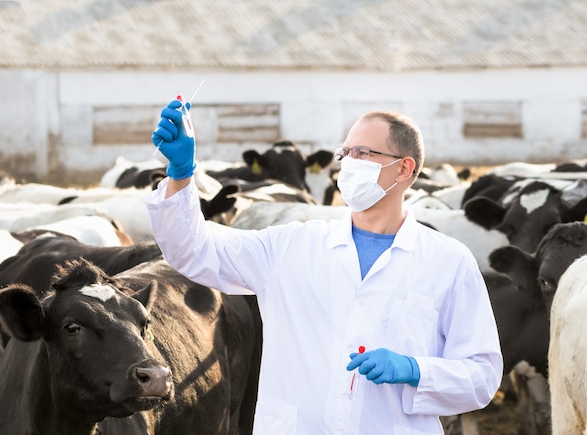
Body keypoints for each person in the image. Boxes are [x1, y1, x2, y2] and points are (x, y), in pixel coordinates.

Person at [146, 98, 503, 434]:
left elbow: (482, 377)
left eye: (363, 152)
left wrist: (416, 370)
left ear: (404, 169)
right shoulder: (292, 247)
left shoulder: (448, 262)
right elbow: (194, 250)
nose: (348, 162)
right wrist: (181, 173)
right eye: (345, 152)